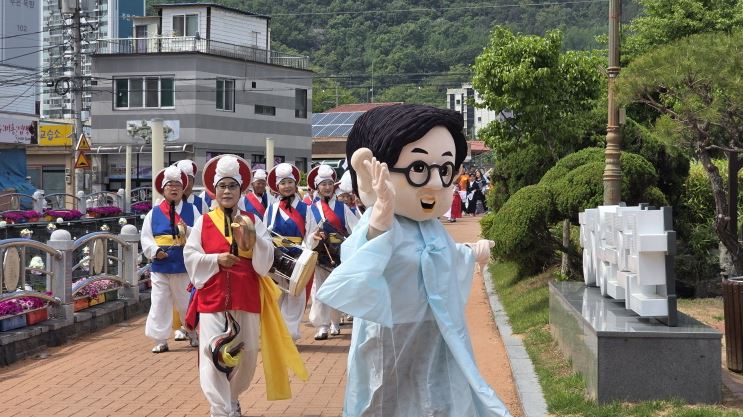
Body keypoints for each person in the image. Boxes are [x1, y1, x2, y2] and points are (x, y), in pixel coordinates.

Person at [316, 104, 512, 417]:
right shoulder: (380, 223)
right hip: (389, 336)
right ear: (369, 171)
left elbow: (444, 256)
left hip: (436, 331)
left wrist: (473, 251)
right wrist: (380, 219)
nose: (435, 182)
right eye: (418, 168)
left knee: (438, 397)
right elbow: (357, 262)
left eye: (444, 171)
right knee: (386, 401)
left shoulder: (431, 227)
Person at [183, 155, 307, 417]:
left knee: (247, 353)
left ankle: (232, 397)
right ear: (214, 190)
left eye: (232, 186)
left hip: (247, 294)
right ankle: (220, 409)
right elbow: (190, 256)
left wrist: (253, 239)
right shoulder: (203, 222)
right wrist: (215, 259)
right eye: (222, 186)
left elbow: (267, 260)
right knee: (212, 352)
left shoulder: (253, 220)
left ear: (240, 190)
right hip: (213, 296)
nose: (227, 191)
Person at [141, 165, 200, 353]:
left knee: (186, 302)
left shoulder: (193, 210)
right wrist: (155, 250)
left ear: (183, 189)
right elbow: (146, 238)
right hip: (161, 265)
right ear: (163, 189)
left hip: (184, 265)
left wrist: (187, 230)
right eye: (170, 185)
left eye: (177, 185)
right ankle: (160, 339)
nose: (174, 189)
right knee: (159, 303)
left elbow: (202, 234)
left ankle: (192, 332)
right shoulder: (153, 213)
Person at [305, 164, 359, 340]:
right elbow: (308, 233)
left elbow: (355, 229)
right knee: (320, 290)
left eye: (329, 184)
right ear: (317, 187)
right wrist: (314, 237)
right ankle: (322, 325)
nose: (327, 187)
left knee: (337, 288)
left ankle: (335, 321)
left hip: (340, 254)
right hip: (321, 253)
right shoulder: (311, 208)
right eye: (323, 184)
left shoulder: (343, 207)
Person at [264, 162, 313, 341]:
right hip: (277, 257)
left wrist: (310, 245)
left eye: (290, 182)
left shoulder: (306, 208)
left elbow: (310, 232)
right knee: (277, 294)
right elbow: (265, 233)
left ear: (295, 184)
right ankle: (278, 331)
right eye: (283, 183)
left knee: (295, 294)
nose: (287, 186)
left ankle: (290, 332)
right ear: (277, 187)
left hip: (297, 256)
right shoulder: (271, 209)